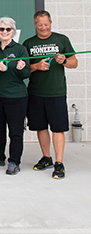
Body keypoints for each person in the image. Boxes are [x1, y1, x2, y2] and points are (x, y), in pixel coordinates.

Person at [23, 10, 77, 179]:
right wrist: (36, 66)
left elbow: (74, 62)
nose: (43, 28)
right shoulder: (28, 43)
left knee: (58, 128)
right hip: (36, 92)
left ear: (51, 23)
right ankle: (47, 157)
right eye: (40, 25)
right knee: (40, 127)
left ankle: (59, 163)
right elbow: (24, 69)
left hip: (56, 92)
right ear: (35, 25)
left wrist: (65, 61)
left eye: (46, 24)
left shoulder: (62, 40)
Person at [0, 17, 30, 175]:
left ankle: (14, 161)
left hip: (16, 97)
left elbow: (26, 73)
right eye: (1, 29)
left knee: (16, 131)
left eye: (8, 29)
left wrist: (20, 68)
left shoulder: (20, 49)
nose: (4, 32)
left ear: (13, 31)